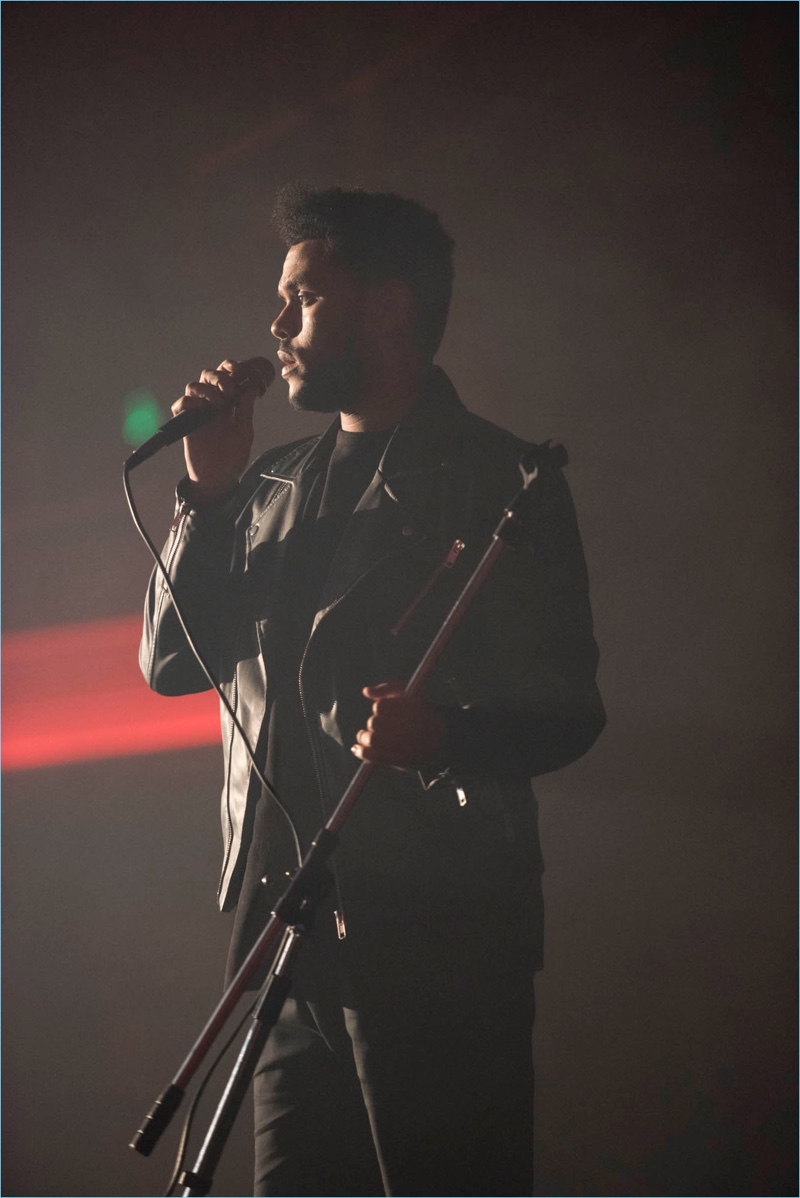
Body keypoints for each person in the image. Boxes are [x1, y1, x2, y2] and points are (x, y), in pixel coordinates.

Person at [141, 185, 605, 1197]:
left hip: (438, 950)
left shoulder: (498, 478)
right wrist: (205, 498)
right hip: (286, 958)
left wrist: (442, 732)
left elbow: (569, 705)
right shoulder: (263, 490)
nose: (274, 327)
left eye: (301, 297)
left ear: (386, 307)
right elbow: (173, 662)